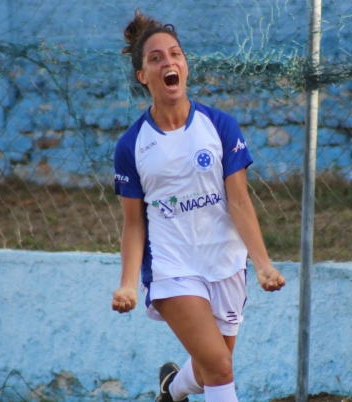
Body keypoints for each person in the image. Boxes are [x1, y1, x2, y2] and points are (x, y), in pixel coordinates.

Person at [110, 10, 287, 402]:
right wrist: (127, 284)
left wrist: (262, 263)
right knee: (221, 369)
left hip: (225, 261)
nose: (168, 62)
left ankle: (172, 389)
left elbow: (239, 201)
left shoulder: (219, 126)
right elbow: (134, 224)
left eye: (175, 54)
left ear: (185, 66)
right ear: (142, 76)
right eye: (155, 58)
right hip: (172, 266)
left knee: (212, 370)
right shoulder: (132, 145)